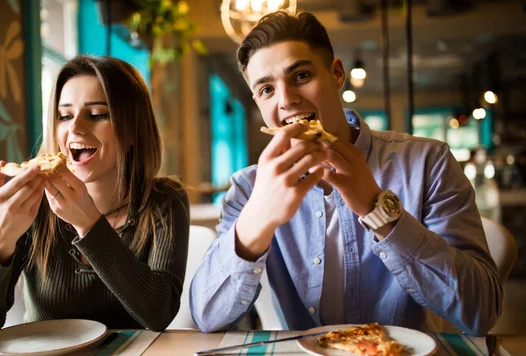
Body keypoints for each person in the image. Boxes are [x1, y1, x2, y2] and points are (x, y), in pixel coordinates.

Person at [190, 11, 502, 336]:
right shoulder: (247, 188)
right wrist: (257, 219)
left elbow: (482, 311)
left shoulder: (428, 162)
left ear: (336, 74)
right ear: (257, 102)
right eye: (267, 90)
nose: (286, 100)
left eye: (301, 76)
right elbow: (207, 318)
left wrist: (377, 208)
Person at [0, 55, 190, 344]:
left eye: (98, 114)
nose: (75, 128)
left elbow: (159, 314)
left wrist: (89, 224)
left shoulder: (164, 201)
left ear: (132, 130)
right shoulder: (34, 203)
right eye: (64, 115)